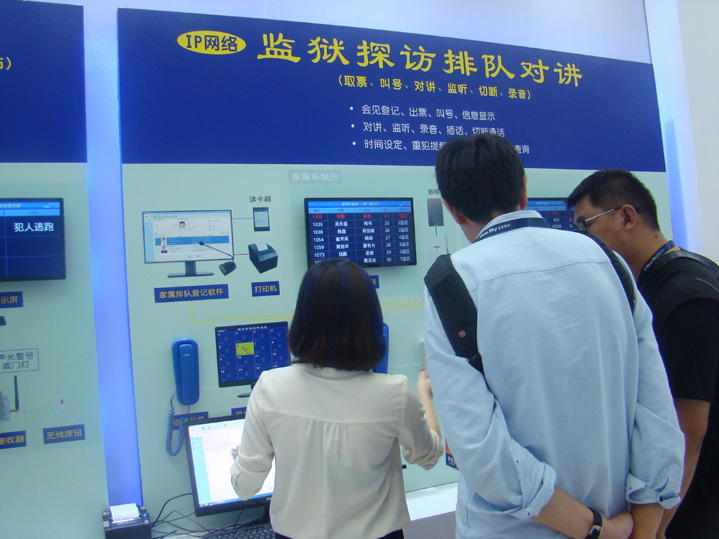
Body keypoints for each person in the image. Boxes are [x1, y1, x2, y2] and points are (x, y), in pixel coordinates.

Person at [423, 134, 684, 539]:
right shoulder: (608, 262)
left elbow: (481, 451)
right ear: (523, 189)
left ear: (453, 210)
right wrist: (639, 530)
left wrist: (596, 530)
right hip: (621, 519)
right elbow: (656, 414)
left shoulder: (451, 282)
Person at [231, 258, 443, 539]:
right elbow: (429, 456)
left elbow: (245, 486)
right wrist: (425, 395)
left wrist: (241, 456)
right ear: (370, 320)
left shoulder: (270, 388)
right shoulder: (394, 393)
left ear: (303, 318)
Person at [568, 169, 719, 538]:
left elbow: (687, 431)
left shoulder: (686, 299)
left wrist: (655, 529)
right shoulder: (668, 280)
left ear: (627, 217)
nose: (583, 239)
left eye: (587, 225)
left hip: (691, 507)